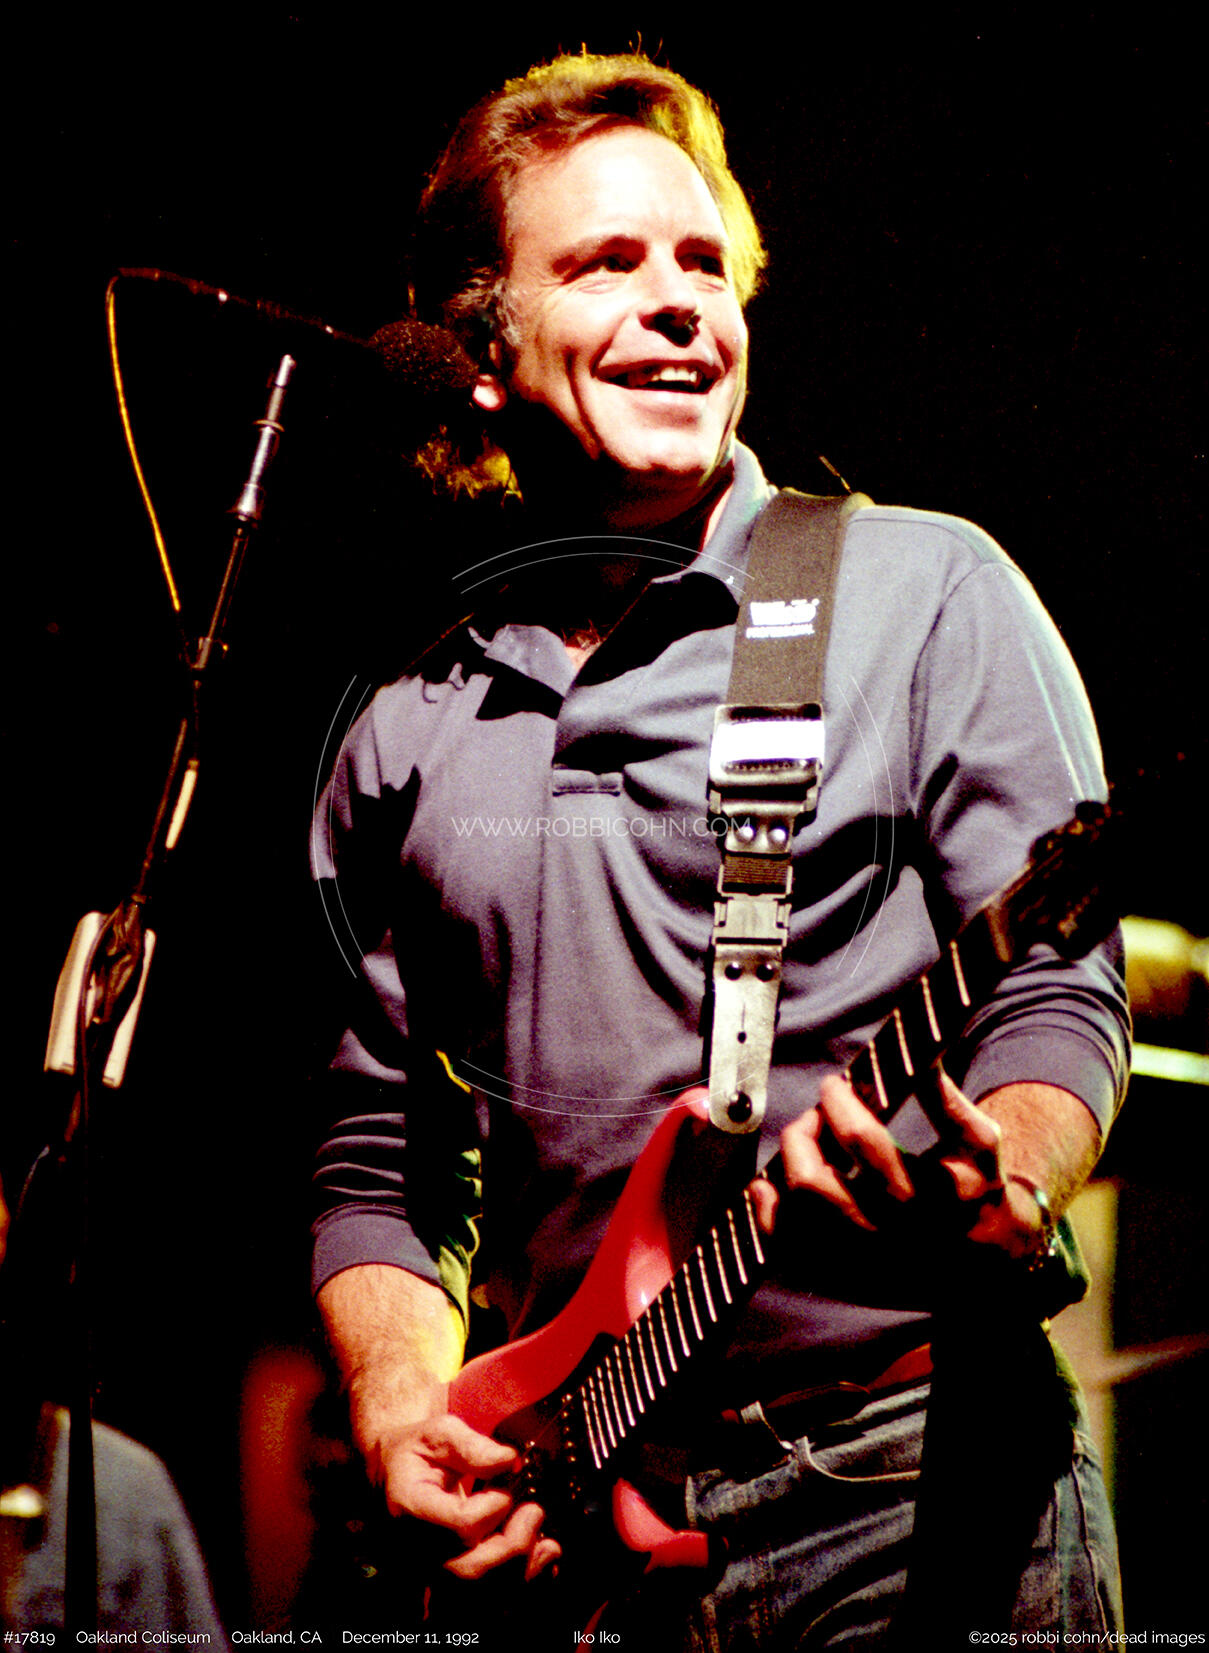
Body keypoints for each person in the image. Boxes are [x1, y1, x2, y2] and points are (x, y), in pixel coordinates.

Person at [310, 53, 1129, 1645]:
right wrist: (405, 1408)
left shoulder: (922, 591)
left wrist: (1011, 1182)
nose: (679, 303)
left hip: (909, 1472)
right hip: (584, 1538)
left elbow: (1051, 988)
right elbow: (378, 1153)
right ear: (477, 350)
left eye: (703, 263)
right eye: (606, 263)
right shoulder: (404, 726)